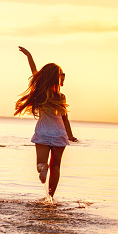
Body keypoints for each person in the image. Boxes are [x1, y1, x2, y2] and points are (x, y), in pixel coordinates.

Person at [15, 46, 77, 198]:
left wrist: (29, 55)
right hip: (59, 134)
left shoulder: (40, 92)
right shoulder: (61, 97)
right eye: (62, 75)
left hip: (43, 132)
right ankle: (50, 197)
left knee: (40, 164)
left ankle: (43, 168)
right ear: (57, 78)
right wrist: (70, 135)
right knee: (56, 167)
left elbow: (34, 71)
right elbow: (65, 118)